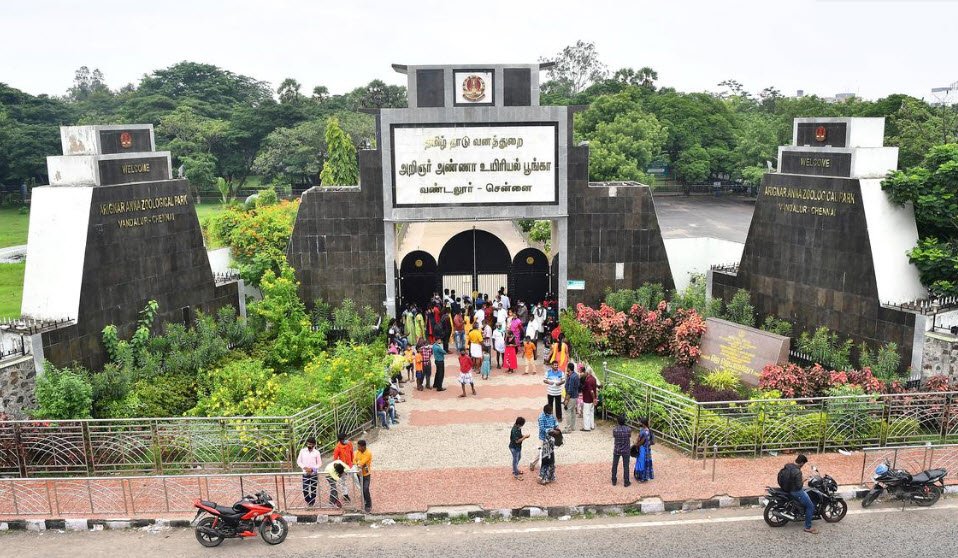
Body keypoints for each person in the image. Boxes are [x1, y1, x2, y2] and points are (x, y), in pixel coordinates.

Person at [778, 454, 817, 534]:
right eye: (804, 464)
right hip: (795, 491)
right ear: (802, 463)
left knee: (806, 493)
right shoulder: (797, 471)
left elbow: (792, 478)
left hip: (787, 488)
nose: (803, 465)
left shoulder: (789, 465)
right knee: (810, 506)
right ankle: (808, 527)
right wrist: (804, 479)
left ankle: (800, 509)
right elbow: (799, 486)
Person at [296, 436, 322, 507]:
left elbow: (319, 463)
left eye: (311, 444)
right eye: (308, 444)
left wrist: (312, 469)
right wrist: (305, 468)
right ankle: (308, 500)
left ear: (314, 445)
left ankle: (312, 502)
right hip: (305, 473)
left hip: (313, 473)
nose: (309, 445)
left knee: (313, 489)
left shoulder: (317, 452)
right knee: (305, 489)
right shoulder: (302, 451)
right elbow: (299, 461)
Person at [611, 414, 632, 487]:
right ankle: (626, 481)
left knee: (615, 465)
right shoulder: (628, 429)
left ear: (618, 421)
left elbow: (614, 436)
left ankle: (614, 480)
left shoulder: (615, 430)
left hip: (617, 449)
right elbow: (629, 436)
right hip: (626, 449)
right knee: (626, 466)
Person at [354, 439, 373, 513]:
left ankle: (368, 504)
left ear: (363, 446)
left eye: (359, 446)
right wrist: (357, 463)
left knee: (366, 489)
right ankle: (365, 500)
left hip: (366, 474)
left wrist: (358, 463)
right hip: (359, 474)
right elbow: (354, 460)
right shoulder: (358, 452)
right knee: (362, 489)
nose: (358, 448)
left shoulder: (368, 453)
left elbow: (362, 463)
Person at [634, 417, 655, 483]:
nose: (639, 423)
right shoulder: (647, 430)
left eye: (640, 422)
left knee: (641, 463)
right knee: (645, 462)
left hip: (643, 449)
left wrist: (636, 445)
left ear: (643, 424)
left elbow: (642, 441)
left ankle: (641, 478)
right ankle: (645, 476)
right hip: (647, 449)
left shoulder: (644, 432)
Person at [564, 362, 581, 432]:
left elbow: (570, 390)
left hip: (571, 397)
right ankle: (572, 426)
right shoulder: (576, 375)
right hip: (575, 396)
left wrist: (566, 399)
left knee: (568, 411)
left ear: (568, 368)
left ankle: (568, 428)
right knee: (573, 411)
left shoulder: (571, 377)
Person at [581, 366, 597, 431]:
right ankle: (592, 425)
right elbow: (594, 389)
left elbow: (591, 391)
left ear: (587, 372)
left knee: (586, 413)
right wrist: (594, 398)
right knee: (591, 413)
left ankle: (586, 427)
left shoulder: (588, 380)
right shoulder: (594, 379)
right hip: (592, 399)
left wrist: (593, 398)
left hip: (587, 399)